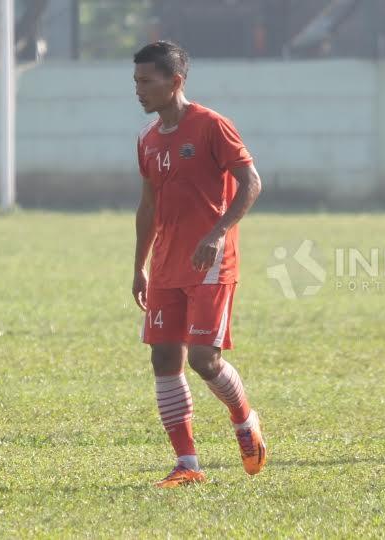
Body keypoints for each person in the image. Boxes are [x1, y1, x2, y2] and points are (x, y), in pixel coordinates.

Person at [132, 41, 266, 486]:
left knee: (205, 359)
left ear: (176, 82)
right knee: (164, 359)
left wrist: (218, 231)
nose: (139, 90)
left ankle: (245, 421)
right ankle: (188, 465)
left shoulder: (211, 126)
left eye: (147, 81)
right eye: (136, 82)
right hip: (166, 265)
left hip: (211, 261)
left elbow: (251, 181)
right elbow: (148, 206)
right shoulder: (147, 140)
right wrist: (139, 266)